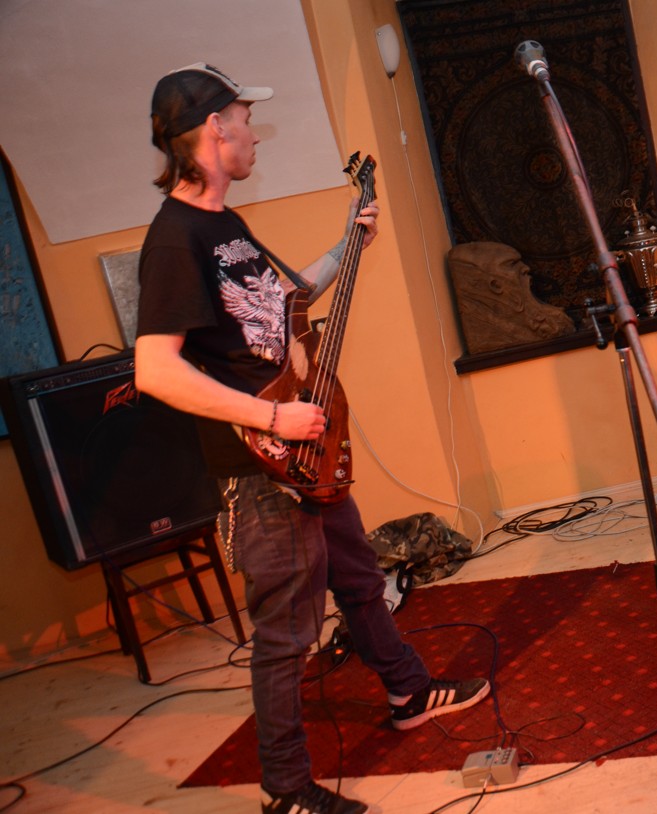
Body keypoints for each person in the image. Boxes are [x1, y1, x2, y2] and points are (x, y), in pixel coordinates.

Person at [133, 63, 489, 814]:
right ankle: (286, 792)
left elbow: (284, 305)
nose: (254, 133)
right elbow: (154, 370)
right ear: (213, 129)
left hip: (303, 451)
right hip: (260, 463)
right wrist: (272, 418)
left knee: (357, 578)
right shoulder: (174, 240)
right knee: (285, 636)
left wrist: (347, 244)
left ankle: (408, 692)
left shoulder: (225, 227)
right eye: (244, 119)